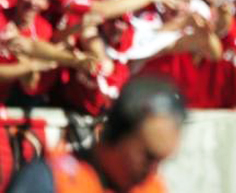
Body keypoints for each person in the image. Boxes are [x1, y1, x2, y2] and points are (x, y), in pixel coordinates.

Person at [8, 76, 186, 193]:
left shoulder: (152, 188)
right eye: (148, 157)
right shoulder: (51, 180)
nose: (153, 171)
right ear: (117, 133)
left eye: (161, 161)